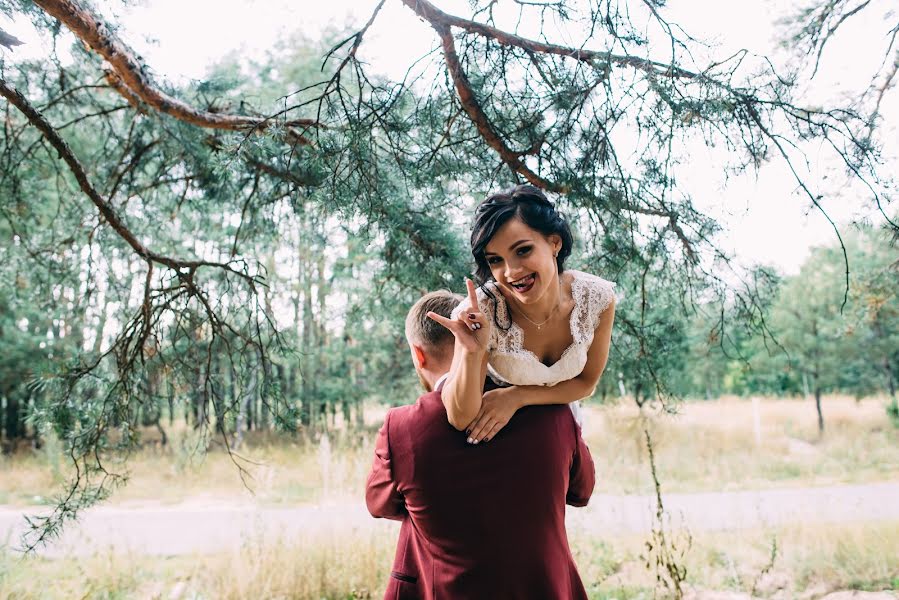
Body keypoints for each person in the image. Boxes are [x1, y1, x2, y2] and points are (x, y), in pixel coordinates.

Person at [365, 290, 596, 599]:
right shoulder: (552, 411)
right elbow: (581, 491)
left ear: (418, 355)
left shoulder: (402, 427)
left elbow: (379, 504)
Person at [427, 184, 618, 443]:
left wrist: (517, 396)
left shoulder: (597, 299)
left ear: (554, 242)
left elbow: (586, 383)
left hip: (564, 426)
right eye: (495, 260)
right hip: (497, 434)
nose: (511, 272)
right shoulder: (482, 310)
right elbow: (460, 418)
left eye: (523, 250)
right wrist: (473, 353)